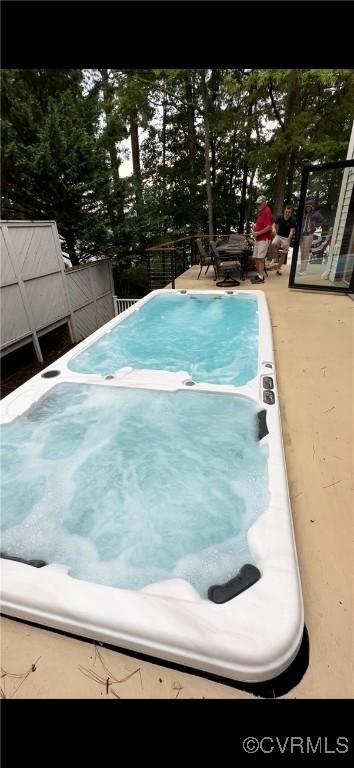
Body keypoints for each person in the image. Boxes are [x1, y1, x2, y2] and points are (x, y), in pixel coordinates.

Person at [299, 197, 326, 275]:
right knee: (302, 253)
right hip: (302, 235)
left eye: (309, 207)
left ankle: (304, 270)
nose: (307, 208)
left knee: (306, 252)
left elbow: (323, 221)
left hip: (309, 235)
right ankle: (302, 268)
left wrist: (316, 225)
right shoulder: (304, 214)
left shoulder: (316, 214)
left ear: (312, 207)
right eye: (306, 207)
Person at [250, 195, 273, 284]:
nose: (258, 205)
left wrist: (258, 233)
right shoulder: (261, 211)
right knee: (256, 257)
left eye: (260, 203)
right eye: (257, 204)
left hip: (263, 238)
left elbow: (269, 227)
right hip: (258, 238)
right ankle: (259, 275)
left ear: (264, 203)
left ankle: (261, 277)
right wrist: (255, 227)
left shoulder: (267, 211)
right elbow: (261, 224)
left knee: (260, 258)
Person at [270, 203, 297, 275]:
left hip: (286, 238)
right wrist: (273, 229)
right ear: (284, 211)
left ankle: (278, 268)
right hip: (279, 236)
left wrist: (287, 241)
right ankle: (275, 258)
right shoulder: (280, 217)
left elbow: (292, 232)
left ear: (291, 212)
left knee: (283, 253)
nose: (287, 213)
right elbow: (273, 225)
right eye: (286, 212)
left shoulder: (293, 220)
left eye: (289, 212)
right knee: (273, 243)